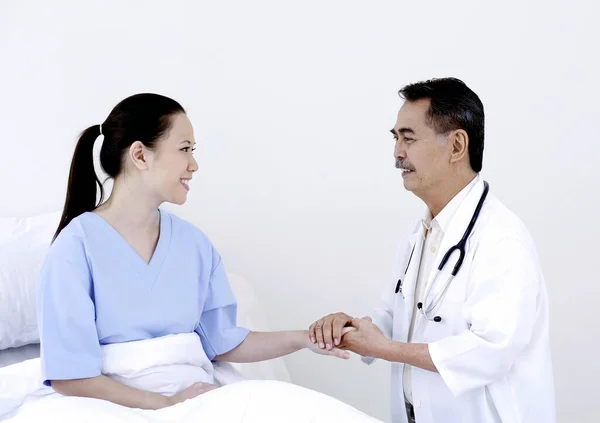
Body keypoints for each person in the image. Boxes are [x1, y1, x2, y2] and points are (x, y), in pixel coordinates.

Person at [37, 93, 348, 411]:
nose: (194, 165)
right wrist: (165, 404)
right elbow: (70, 376)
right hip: (114, 406)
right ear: (141, 156)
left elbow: (222, 341)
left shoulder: (194, 245)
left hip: (195, 396)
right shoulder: (75, 248)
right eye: (185, 149)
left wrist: (306, 339)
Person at [309, 78, 556, 423]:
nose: (397, 152)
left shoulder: (501, 239)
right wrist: (351, 328)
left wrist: (387, 350)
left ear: (457, 145)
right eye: (395, 138)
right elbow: (395, 317)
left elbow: (491, 352)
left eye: (408, 138)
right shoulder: (421, 232)